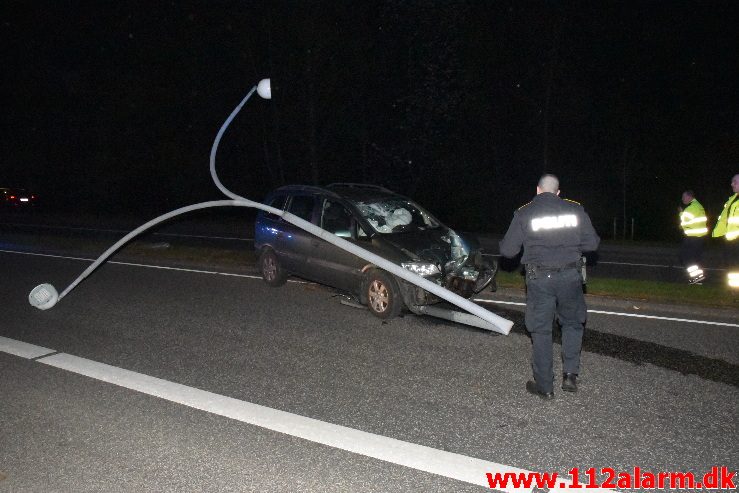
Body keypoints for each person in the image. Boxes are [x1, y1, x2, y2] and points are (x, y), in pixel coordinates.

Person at [499, 174, 600, 399]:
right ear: (558, 192)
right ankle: (570, 375)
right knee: (573, 324)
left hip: (539, 280)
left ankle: (545, 387)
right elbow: (592, 244)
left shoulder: (524, 212)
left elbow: (507, 251)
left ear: (537, 190)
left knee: (541, 330)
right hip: (570, 277)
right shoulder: (575, 210)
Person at [711, 174, 739, 289]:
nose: (732, 184)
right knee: (732, 267)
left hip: (736, 239)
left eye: (735, 182)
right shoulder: (733, 199)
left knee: (734, 266)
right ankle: (735, 291)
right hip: (731, 239)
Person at [678, 190, 708, 284]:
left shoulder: (691, 208)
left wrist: (681, 213)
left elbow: (684, 223)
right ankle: (698, 279)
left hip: (692, 237)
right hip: (699, 237)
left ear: (689, 197)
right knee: (695, 258)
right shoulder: (699, 206)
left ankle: (697, 277)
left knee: (685, 257)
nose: (682, 199)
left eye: (684, 197)